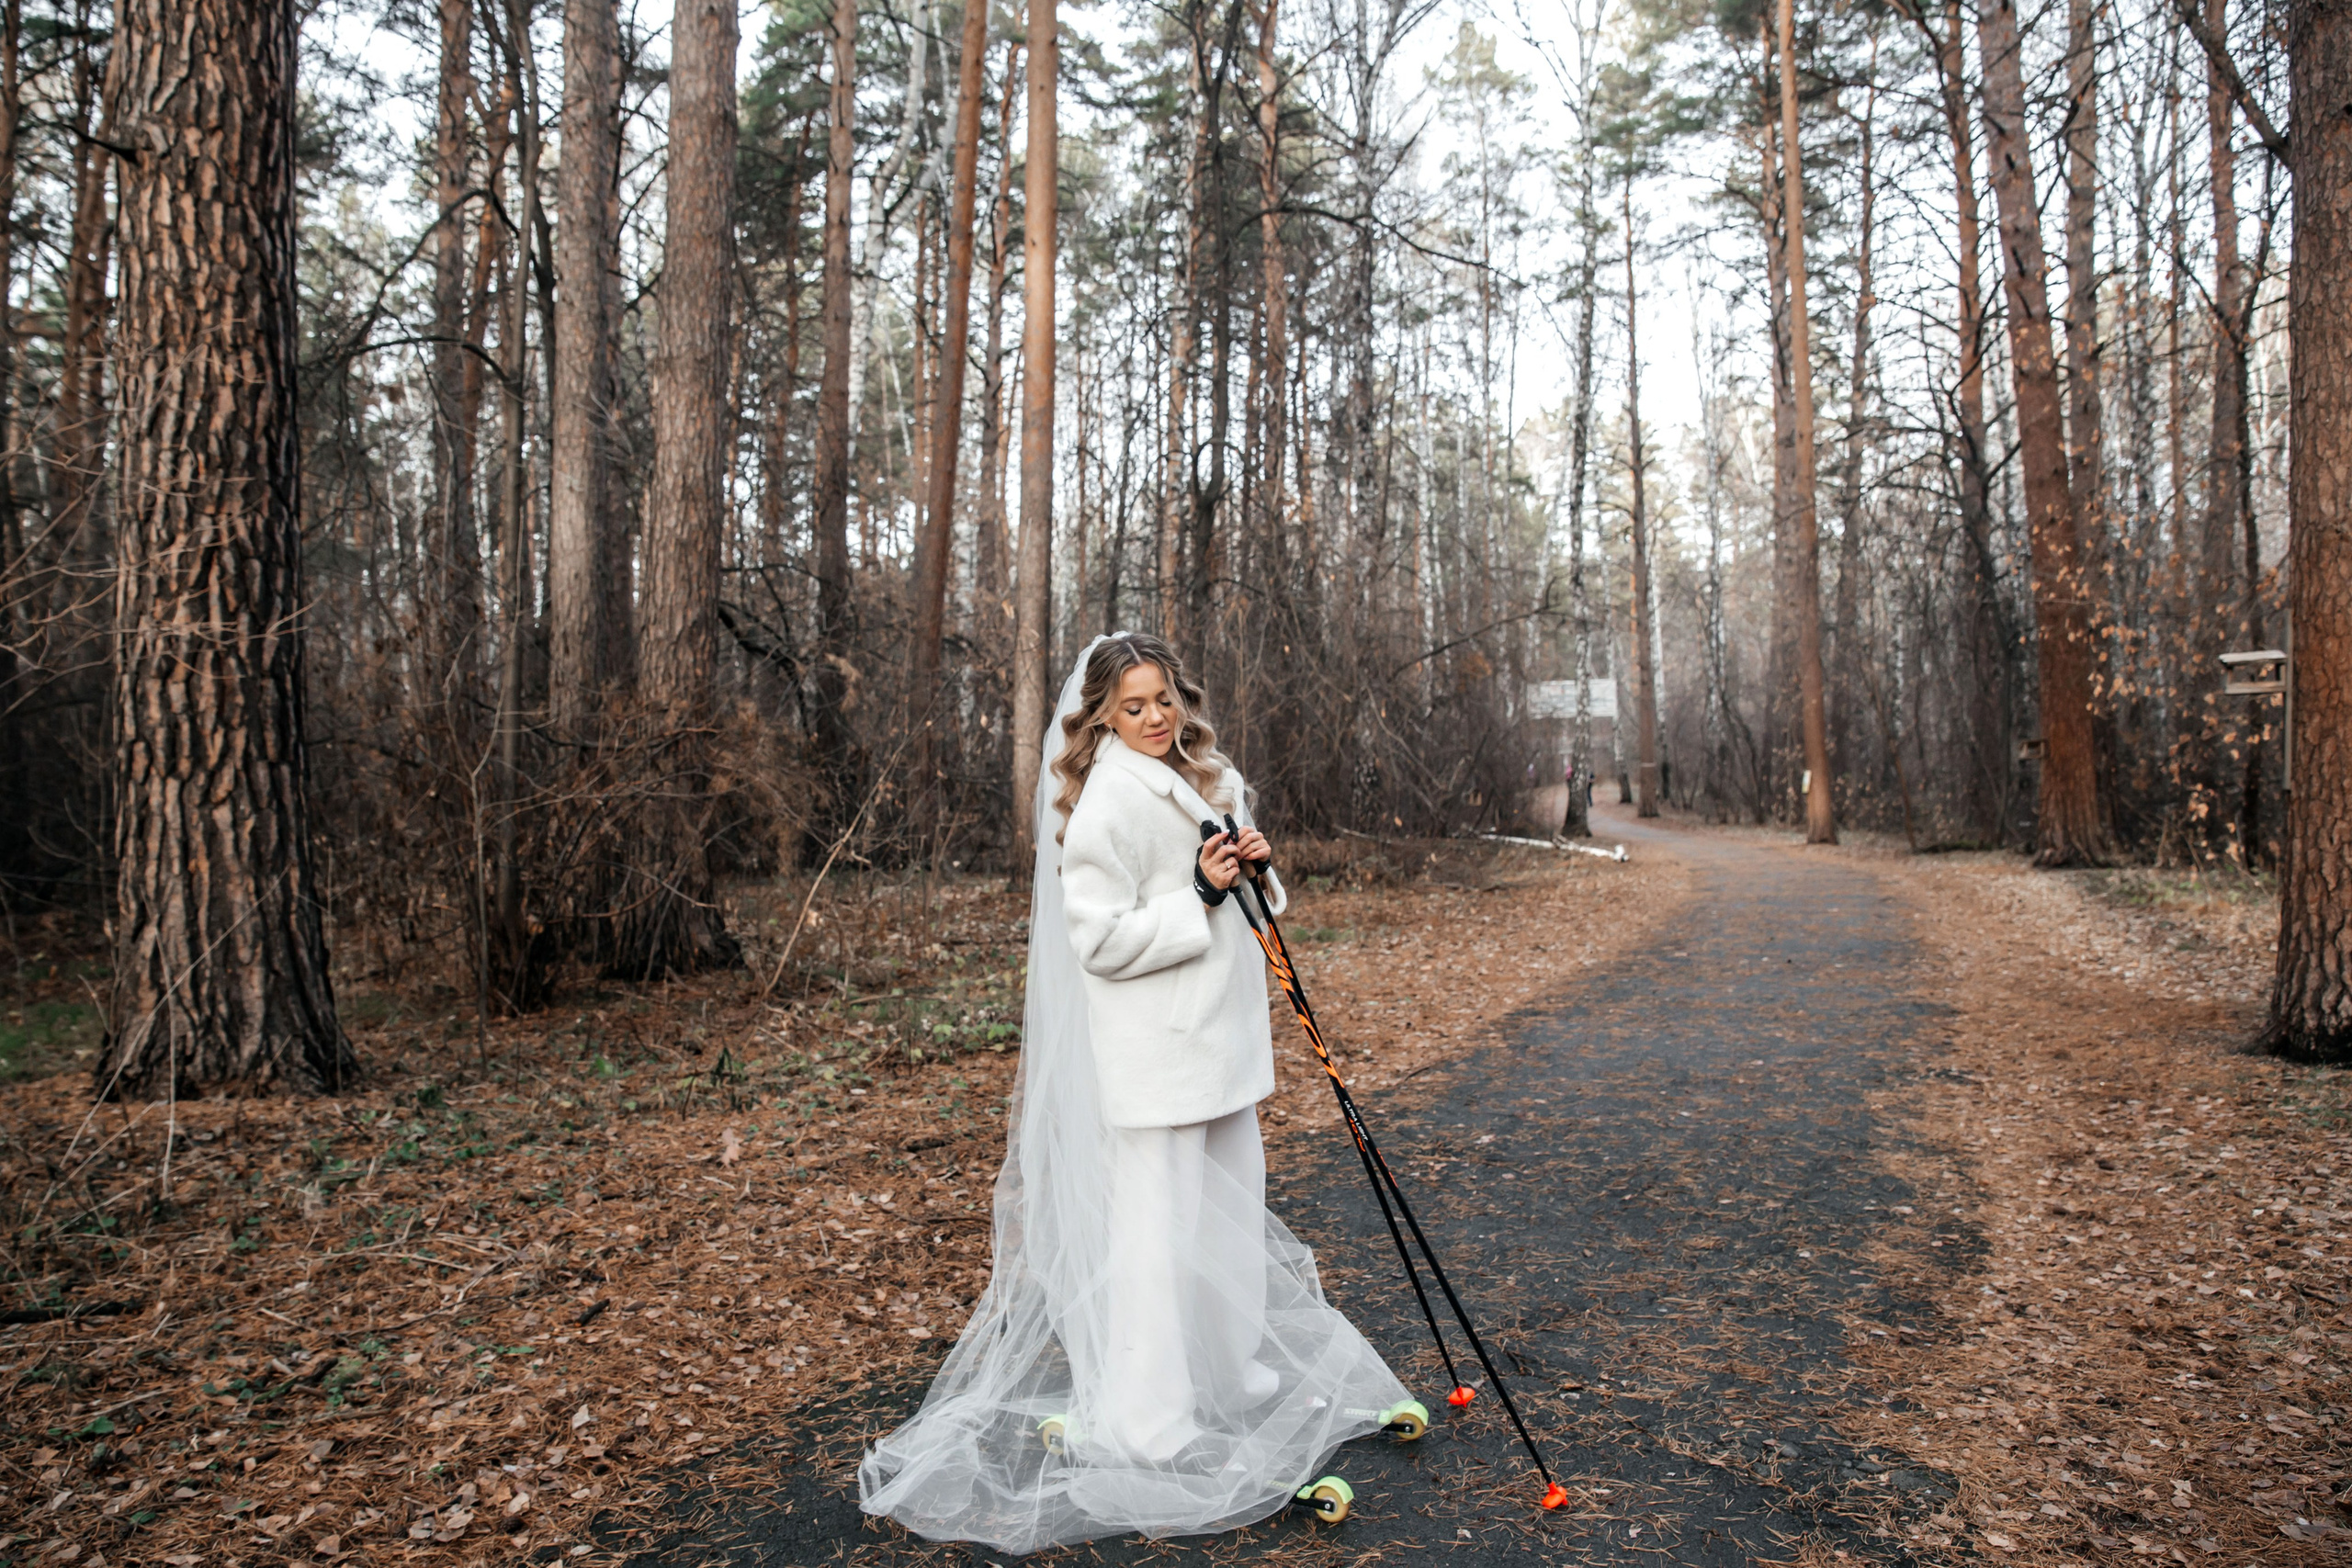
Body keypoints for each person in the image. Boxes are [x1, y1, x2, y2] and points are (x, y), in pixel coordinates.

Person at [859, 632, 1408, 1552]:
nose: (1155, 719)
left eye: (1164, 701)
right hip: (1156, 1054)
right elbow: (1101, 944)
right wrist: (1193, 890)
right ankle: (1149, 1420)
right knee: (1154, 1235)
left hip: (1224, 1045)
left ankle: (1232, 1376)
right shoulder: (1104, 801)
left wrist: (1258, 872)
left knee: (1230, 1216)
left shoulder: (1211, 776)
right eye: (1133, 707)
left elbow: (1254, 909)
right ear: (1103, 717)